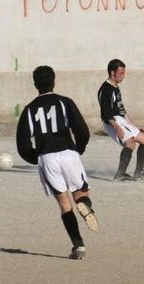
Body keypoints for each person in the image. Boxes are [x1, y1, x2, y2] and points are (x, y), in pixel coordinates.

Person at [16, 65, 99, 260]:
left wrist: (35, 157)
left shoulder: (29, 109)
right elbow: (81, 130)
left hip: (47, 157)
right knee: (81, 193)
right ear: (54, 81)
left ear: (35, 84)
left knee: (64, 204)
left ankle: (78, 246)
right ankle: (84, 205)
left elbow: (22, 143)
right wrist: (79, 148)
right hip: (69, 153)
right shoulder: (64, 102)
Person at [98, 58, 144, 181]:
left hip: (121, 120)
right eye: (121, 73)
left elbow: (122, 110)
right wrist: (116, 127)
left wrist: (133, 125)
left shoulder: (115, 87)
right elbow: (105, 113)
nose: (123, 76)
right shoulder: (106, 89)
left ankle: (139, 171)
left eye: (124, 73)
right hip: (112, 122)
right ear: (112, 73)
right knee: (130, 143)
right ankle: (120, 174)